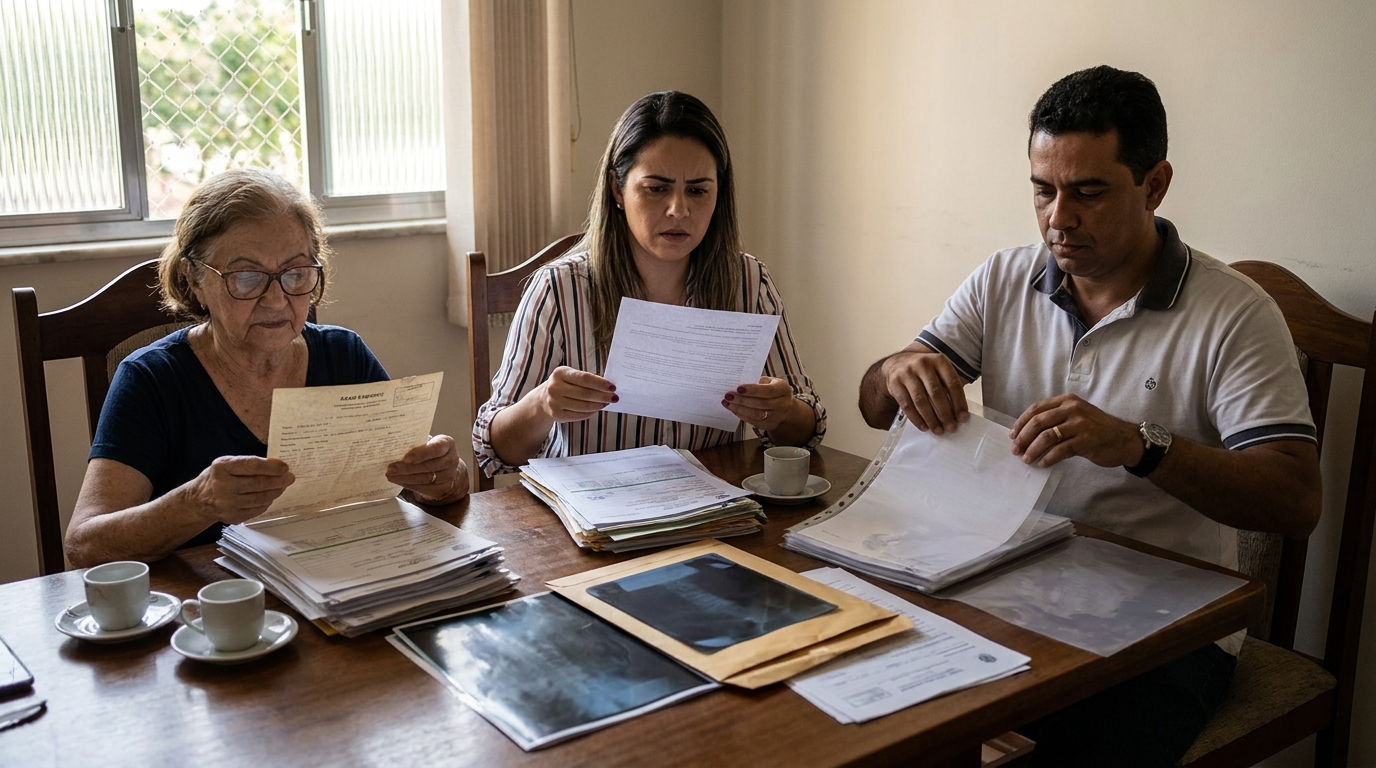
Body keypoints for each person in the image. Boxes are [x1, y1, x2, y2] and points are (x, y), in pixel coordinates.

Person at [858, 66, 1321, 767]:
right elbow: (871, 406)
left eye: (1088, 192)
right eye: (1043, 190)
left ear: (1154, 185)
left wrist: (1140, 445)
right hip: (1005, 585)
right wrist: (897, 370)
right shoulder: (1004, 279)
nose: (1058, 218)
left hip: (1167, 628)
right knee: (871, 695)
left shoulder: (1234, 312)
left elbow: (1295, 498)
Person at [65, 168, 468, 568]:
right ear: (194, 280)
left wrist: (442, 476)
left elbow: (438, 487)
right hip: (214, 608)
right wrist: (197, 501)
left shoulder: (343, 355)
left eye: (295, 274)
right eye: (246, 278)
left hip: (340, 582)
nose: (276, 300)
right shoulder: (152, 379)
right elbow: (85, 546)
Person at [473, 91, 825, 476]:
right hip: (591, 517)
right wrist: (542, 404)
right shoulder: (559, 290)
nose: (679, 210)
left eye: (698, 190)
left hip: (710, 507)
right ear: (617, 190)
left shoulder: (749, 281)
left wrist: (784, 410)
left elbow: (805, 434)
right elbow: (495, 450)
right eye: (656, 188)